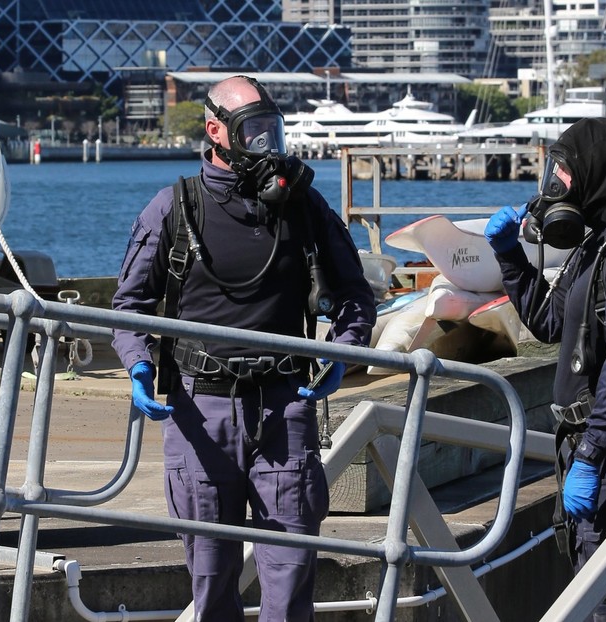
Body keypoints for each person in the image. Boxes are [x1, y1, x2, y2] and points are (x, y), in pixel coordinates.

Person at [111, 75, 376, 622]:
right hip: (199, 411)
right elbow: (128, 303)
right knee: (210, 576)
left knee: (291, 573)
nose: (266, 144)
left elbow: (355, 293)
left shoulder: (304, 207)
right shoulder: (173, 208)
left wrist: (344, 350)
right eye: (252, 131)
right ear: (216, 131)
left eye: (272, 130)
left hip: (284, 406)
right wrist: (137, 363)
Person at [484, 117, 606, 621]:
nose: (553, 187)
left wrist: (593, 454)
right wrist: (510, 254)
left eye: (562, 175)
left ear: (596, 174)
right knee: (594, 590)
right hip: (590, 452)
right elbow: (551, 322)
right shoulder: (598, 245)